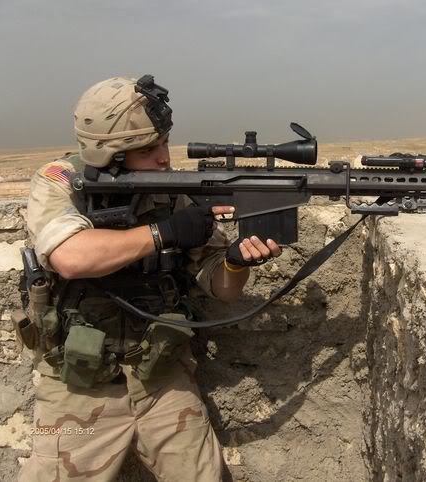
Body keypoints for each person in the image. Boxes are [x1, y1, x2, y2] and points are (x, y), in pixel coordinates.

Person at [19, 75, 281, 481]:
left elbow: (222, 290)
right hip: (76, 382)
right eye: (147, 150)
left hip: (160, 376)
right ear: (110, 155)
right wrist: (164, 233)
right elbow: (69, 257)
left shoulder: (173, 191)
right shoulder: (61, 181)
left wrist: (234, 262)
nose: (163, 159)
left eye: (164, 143)